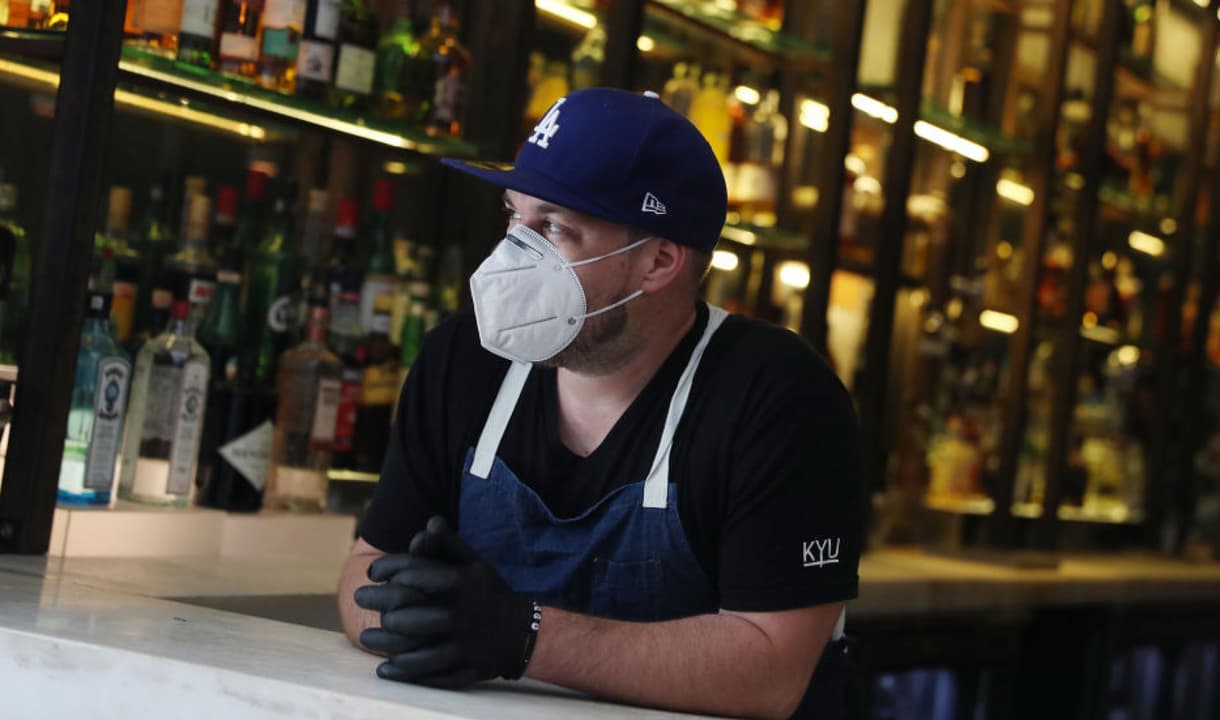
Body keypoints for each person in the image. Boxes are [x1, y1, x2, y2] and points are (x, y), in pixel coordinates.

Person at [339, 87, 864, 719]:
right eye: (514, 218)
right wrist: (414, 617)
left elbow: (769, 672)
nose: (512, 256)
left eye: (554, 228)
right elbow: (367, 567)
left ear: (658, 261)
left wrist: (525, 636)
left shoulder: (778, 397)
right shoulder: (465, 359)